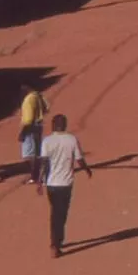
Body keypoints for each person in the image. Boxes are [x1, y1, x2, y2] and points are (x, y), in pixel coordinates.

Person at [41, 113, 93, 258]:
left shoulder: (47, 141)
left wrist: (40, 181)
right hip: (66, 184)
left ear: (53, 125)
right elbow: (79, 159)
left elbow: (44, 163)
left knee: (54, 212)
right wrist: (87, 170)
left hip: (51, 184)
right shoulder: (72, 140)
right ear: (65, 125)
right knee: (61, 214)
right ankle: (56, 243)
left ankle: (55, 241)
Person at [19, 83, 51, 188]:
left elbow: (28, 120)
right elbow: (47, 107)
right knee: (36, 152)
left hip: (30, 128)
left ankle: (35, 177)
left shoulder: (28, 100)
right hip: (38, 127)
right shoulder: (38, 95)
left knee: (28, 155)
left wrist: (23, 132)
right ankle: (38, 175)